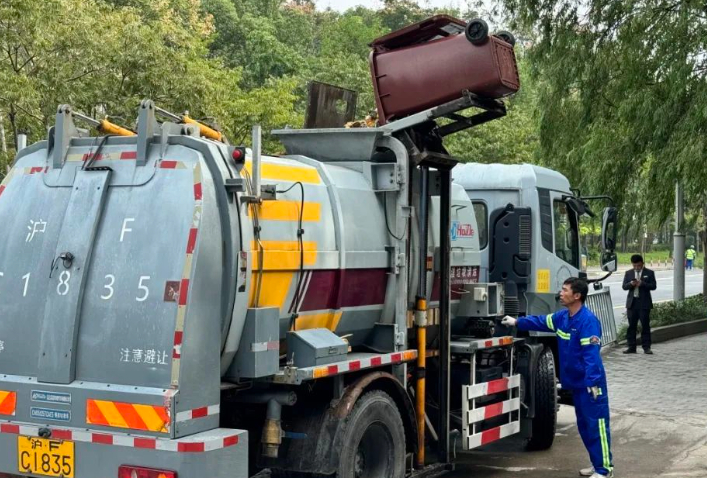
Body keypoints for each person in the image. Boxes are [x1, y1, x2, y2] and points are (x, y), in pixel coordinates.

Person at [502, 278, 614, 478]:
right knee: (585, 427)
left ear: (577, 296)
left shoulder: (587, 322)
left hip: (590, 386)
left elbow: (592, 357)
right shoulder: (562, 317)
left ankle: (604, 470)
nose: (560, 293)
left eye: (565, 290)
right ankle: (596, 463)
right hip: (577, 385)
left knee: (596, 426)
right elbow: (540, 321)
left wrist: (593, 383)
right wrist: (517, 321)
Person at [622, 254, 656, 354]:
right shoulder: (628, 273)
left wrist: (642, 284)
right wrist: (631, 284)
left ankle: (646, 347)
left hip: (644, 303)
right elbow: (624, 286)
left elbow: (653, 286)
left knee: (645, 325)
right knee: (631, 326)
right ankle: (631, 347)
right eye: (634, 266)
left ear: (642, 264)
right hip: (632, 303)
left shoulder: (649, 273)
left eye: (638, 265)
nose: (636, 268)